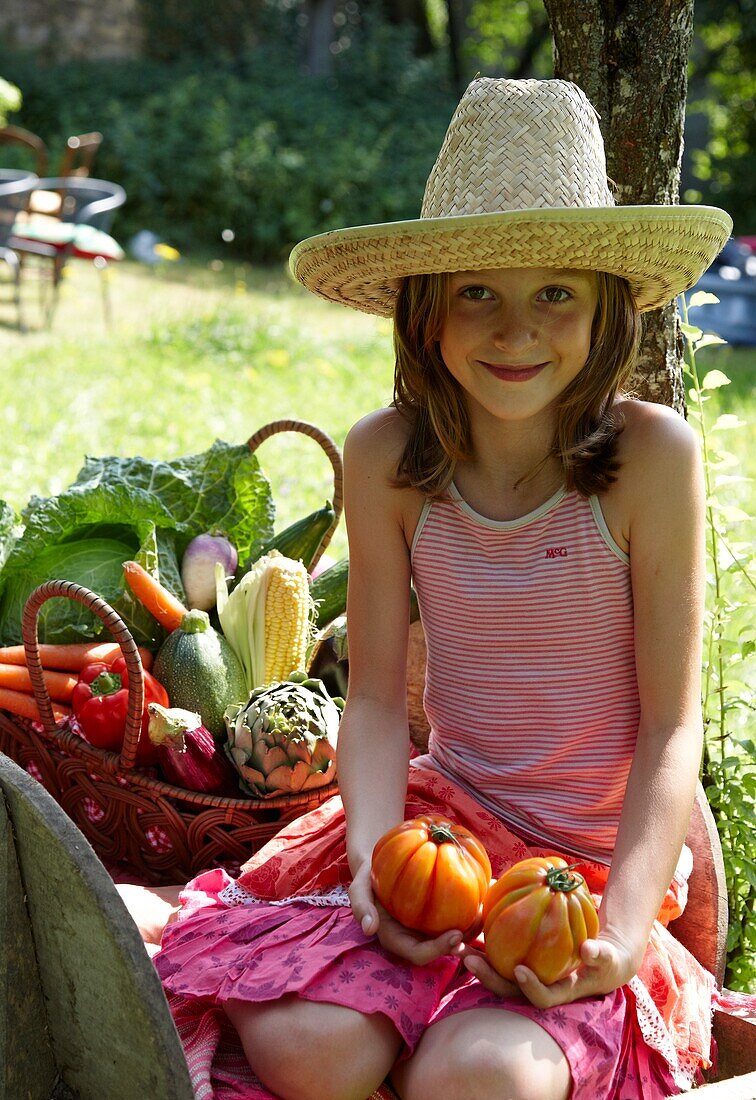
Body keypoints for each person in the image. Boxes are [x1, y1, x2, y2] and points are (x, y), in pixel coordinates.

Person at [123, 78, 734, 1100]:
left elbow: (673, 727)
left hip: (578, 876)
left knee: (483, 1072)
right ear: (427, 307)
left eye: (555, 295)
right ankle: (389, 1017)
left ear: (601, 306)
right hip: (433, 831)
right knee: (317, 1052)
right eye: (477, 293)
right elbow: (369, 698)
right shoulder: (387, 455)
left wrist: (624, 930)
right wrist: (369, 868)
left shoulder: (648, 460)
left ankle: (438, 1040)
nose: (515, 330)